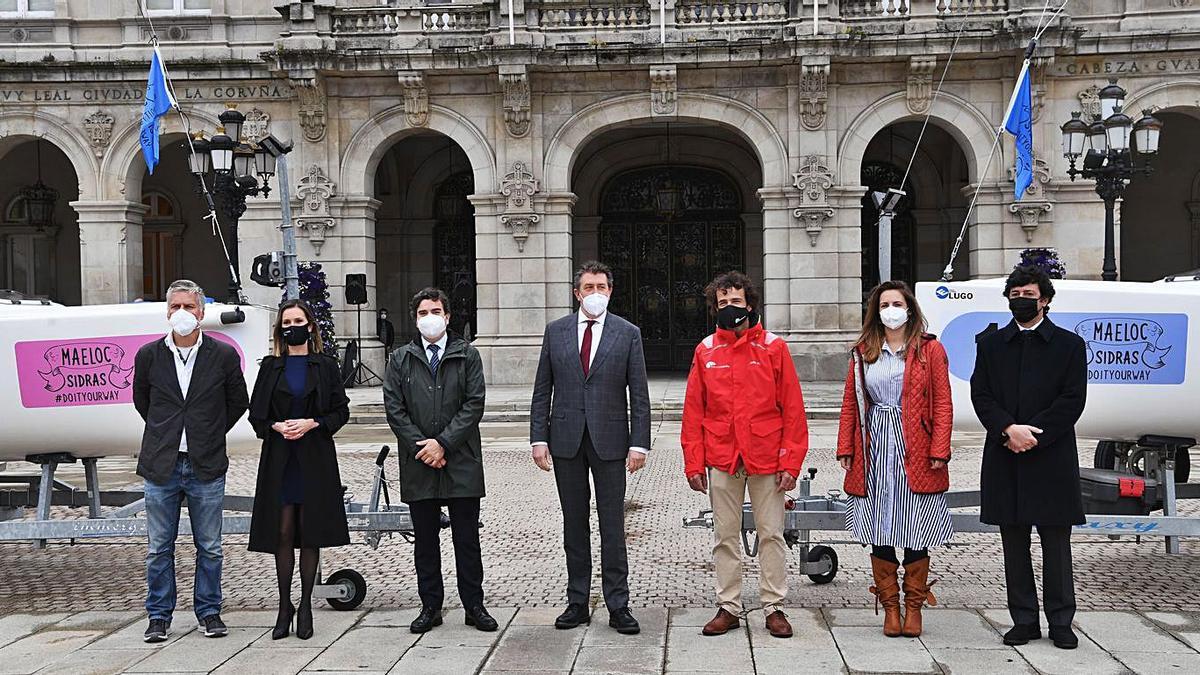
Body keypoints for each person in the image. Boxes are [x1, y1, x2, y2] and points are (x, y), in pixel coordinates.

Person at [681, 271, 807, 639]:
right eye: (722, 303)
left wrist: (791, 462)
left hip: (766, 456)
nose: (729, 308)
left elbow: (793, 409)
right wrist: (693, 461)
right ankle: (729, 607)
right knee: (725, 535)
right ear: (714, 307)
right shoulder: (706, 350)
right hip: (723, 456)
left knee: (772, 534)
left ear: (749, 304)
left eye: (735, 302)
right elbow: (694, 411)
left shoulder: (773, 347)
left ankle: (774, 607)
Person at [529, 260, 651, 635]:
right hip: (566, 440)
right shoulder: (556, 331)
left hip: (611, 441)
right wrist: (538, 437)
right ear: (576, 292)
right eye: (588, 287)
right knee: (574, 524)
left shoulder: (627, 333)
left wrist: (639, 444)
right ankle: (577, 601)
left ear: (610, 291)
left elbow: (640, 395)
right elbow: (542, 389)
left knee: (612, 525)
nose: (595, 293)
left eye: (601, 286)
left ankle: (618, 604)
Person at [971, 265, 1087, 650]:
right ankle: (1023, 620)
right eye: (1015, 295)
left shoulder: (1070, 345)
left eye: (1029, 295)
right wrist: (1008, 429)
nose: (1021, 301)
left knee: (1056, 544)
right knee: (1013, 543)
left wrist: (1033, 434)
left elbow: (1072, 400)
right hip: (1006, 454)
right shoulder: (990, 345)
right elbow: (981, 395)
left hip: (1050, 456)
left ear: (1046, 300)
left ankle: (1061, 621)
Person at [132, 280, 249, 643]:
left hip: (206, 463)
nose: (182, 313)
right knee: (158, 548)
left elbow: (237, 402)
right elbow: (144, 403)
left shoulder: (223, 355)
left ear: (201, 312)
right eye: (175, 306)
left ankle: (209, 611)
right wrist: (168, 431)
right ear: (167, 312)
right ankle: (158, 616)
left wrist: (208, 431)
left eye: (188, 306)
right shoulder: (149, 355)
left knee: (210, 546)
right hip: (161, 464)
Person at [836, 281, 954, 639]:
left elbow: (943, 402)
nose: (891, 309)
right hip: (875, 444)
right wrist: (846, 447)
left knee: (915, 524)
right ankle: (890, 607)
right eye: (884, 303)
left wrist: (939, 448)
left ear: (909, 308)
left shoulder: (929, 350)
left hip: (914, 443)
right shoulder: (863, 351)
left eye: (897, 302)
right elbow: (850, 402)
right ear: (876, 311)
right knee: (881, 525)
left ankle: (914, 606)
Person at [383, 287, 496, 634]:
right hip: (419, 462)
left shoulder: (467, 355)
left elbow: (473, 403)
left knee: (466, 539)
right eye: (422, 313)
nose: (429, 318)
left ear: (447, 316)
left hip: (460, 460)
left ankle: (474, 605)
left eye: (435, 311)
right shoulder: (400, 359)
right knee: (426, 541)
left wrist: (443, 443)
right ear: (415, 319)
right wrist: (424, 447)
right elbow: (395, 409)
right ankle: (430, 606)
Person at [247, 299, 351, 641]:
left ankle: (306, 605)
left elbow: (340, 412)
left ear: (310, 326)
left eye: (298, 320)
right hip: (280, 459)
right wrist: (276, 427)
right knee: (283, 532)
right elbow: (256, 416)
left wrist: (313, 423)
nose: (292, 326)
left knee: (310, 532)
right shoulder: (270, 367)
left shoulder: (325, 366)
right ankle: (283, 606)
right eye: (286, 321)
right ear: (280, 329)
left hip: (314, 457)